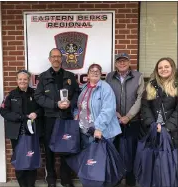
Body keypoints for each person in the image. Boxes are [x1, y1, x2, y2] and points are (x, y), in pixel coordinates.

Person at [34, 48, 79, 187]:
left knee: (67, 147)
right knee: (49, 150)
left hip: (66, 118)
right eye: (53, 56)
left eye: (58, 56)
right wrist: (55, 104)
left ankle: (66, 178)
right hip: (50, 118)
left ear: (62, 59)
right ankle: (51, 178)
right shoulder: (43, 77)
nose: (56, 59)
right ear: (49, 59)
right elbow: (38, 97)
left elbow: (77, 93)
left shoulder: (70, 76)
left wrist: (71, 103)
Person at [106, 53, 145, 187]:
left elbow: (140, 99)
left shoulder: (138, 76)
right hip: (115, 120)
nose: (122, 64)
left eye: (124, 61)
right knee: (115, 150)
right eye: (119, 61)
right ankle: (117, 178)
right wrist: (116, 114)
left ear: (129, 62)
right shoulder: (109, 76)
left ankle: (130, 181)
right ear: (116, 64)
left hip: (133, 121)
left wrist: (128, 116)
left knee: (132, 151)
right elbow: (107, 97)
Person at [0, 70, 42, 187]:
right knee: (19, 159)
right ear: (16, 80)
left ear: (29, 80)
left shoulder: (35, 93)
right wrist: (20, 117)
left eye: (25, 79)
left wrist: (36, 113)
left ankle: (31, 184)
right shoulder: (10, 95)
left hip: (32, 132)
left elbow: (42, 108)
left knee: (31, 157)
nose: (22, 81)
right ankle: (22, 184)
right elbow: (3, 111)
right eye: (20, 79)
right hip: (16, 133)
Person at [74, 63, 121, 148]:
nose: (95, 73)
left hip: (100, 132)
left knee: (100, 159)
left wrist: (99, 128)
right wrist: (76, 115)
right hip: (85, 131)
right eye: (92, 71)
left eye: (97, 71)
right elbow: (79, 106)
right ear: (88, 74)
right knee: (88, 158)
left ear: (100, 74)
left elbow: (108, 110)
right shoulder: (84, 88)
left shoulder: (106, 88)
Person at [141, 57, 178, 148]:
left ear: (172, 68)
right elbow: (145, 106)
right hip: (153, 131)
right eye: (160, 68)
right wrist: (152, 124)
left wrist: (166, 128)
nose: (163, 69)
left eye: (166, 67)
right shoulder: (150, 85)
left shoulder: (176, 85)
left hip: (173, 132)